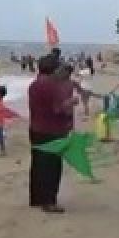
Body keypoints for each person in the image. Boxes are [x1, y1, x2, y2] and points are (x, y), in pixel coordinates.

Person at [28, 54, 75, 213]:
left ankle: (36, 198)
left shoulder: (34, 84)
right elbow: (57, 109)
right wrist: (70, 103)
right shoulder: (52, 86)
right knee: (52, 167)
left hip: (36, 128)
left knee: (38, 165)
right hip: (52, 130)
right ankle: (49, 201)